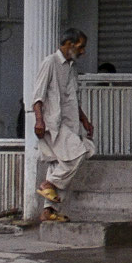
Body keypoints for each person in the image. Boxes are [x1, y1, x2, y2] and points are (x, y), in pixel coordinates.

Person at [30, 28, 94, 224]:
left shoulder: (71, 67)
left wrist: (84, 119)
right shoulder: (50, 63)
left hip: (70, 123)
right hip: (52, 124)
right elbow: (37, 96)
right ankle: (48, 183)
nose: (83, 51)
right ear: (69, 44)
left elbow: (72, 98)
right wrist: (39, 121)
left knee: (60, 164)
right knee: (81, 152)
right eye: (80, 46)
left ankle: (49, 211)